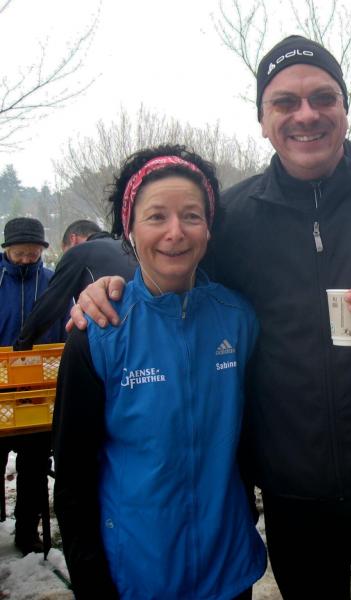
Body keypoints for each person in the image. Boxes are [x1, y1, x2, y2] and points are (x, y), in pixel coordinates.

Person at [70, 36, 351, 600]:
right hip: (295, 502)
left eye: (323, 97)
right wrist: (110, 290)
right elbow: (174, 285)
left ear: (345, 109)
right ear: (262, 120)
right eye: (284, 102)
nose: (306, 114)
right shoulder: (234, 219)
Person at [53, 145, 266, 599]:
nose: (175, 232)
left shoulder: (239, 321)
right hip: (134, 577)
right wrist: (92, 582)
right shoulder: (98, 333)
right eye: (156, 217)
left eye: (191, 216)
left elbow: (251, 443)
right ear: (129, 229)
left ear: (208, 228)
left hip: (227, 572)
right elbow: (73, 479)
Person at [0, 216, 65, 554]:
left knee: (34, 469)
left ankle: (27, 532)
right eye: (20, 253)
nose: (27, 259)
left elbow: (68, 327)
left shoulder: (53, 284)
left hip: (40, 394)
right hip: (1, 393)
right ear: (7, 250)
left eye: (33, 252)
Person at [14, 220, 137, 350]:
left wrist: (22, 345)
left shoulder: (79, 252)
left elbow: (50, 304)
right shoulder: (129, 248)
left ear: (73, 239)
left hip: (112, 339)